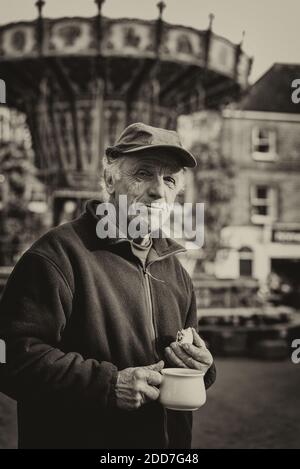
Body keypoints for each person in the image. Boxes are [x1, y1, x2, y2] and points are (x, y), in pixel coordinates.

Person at [0, 122, 216, 449]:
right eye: (143, 173)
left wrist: (203, 367)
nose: (158, 191)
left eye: (169, 179)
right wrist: (109, 384)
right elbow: (11, 358)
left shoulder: (177, 271)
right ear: (110, 180)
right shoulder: (56, 256)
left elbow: (185, 359)